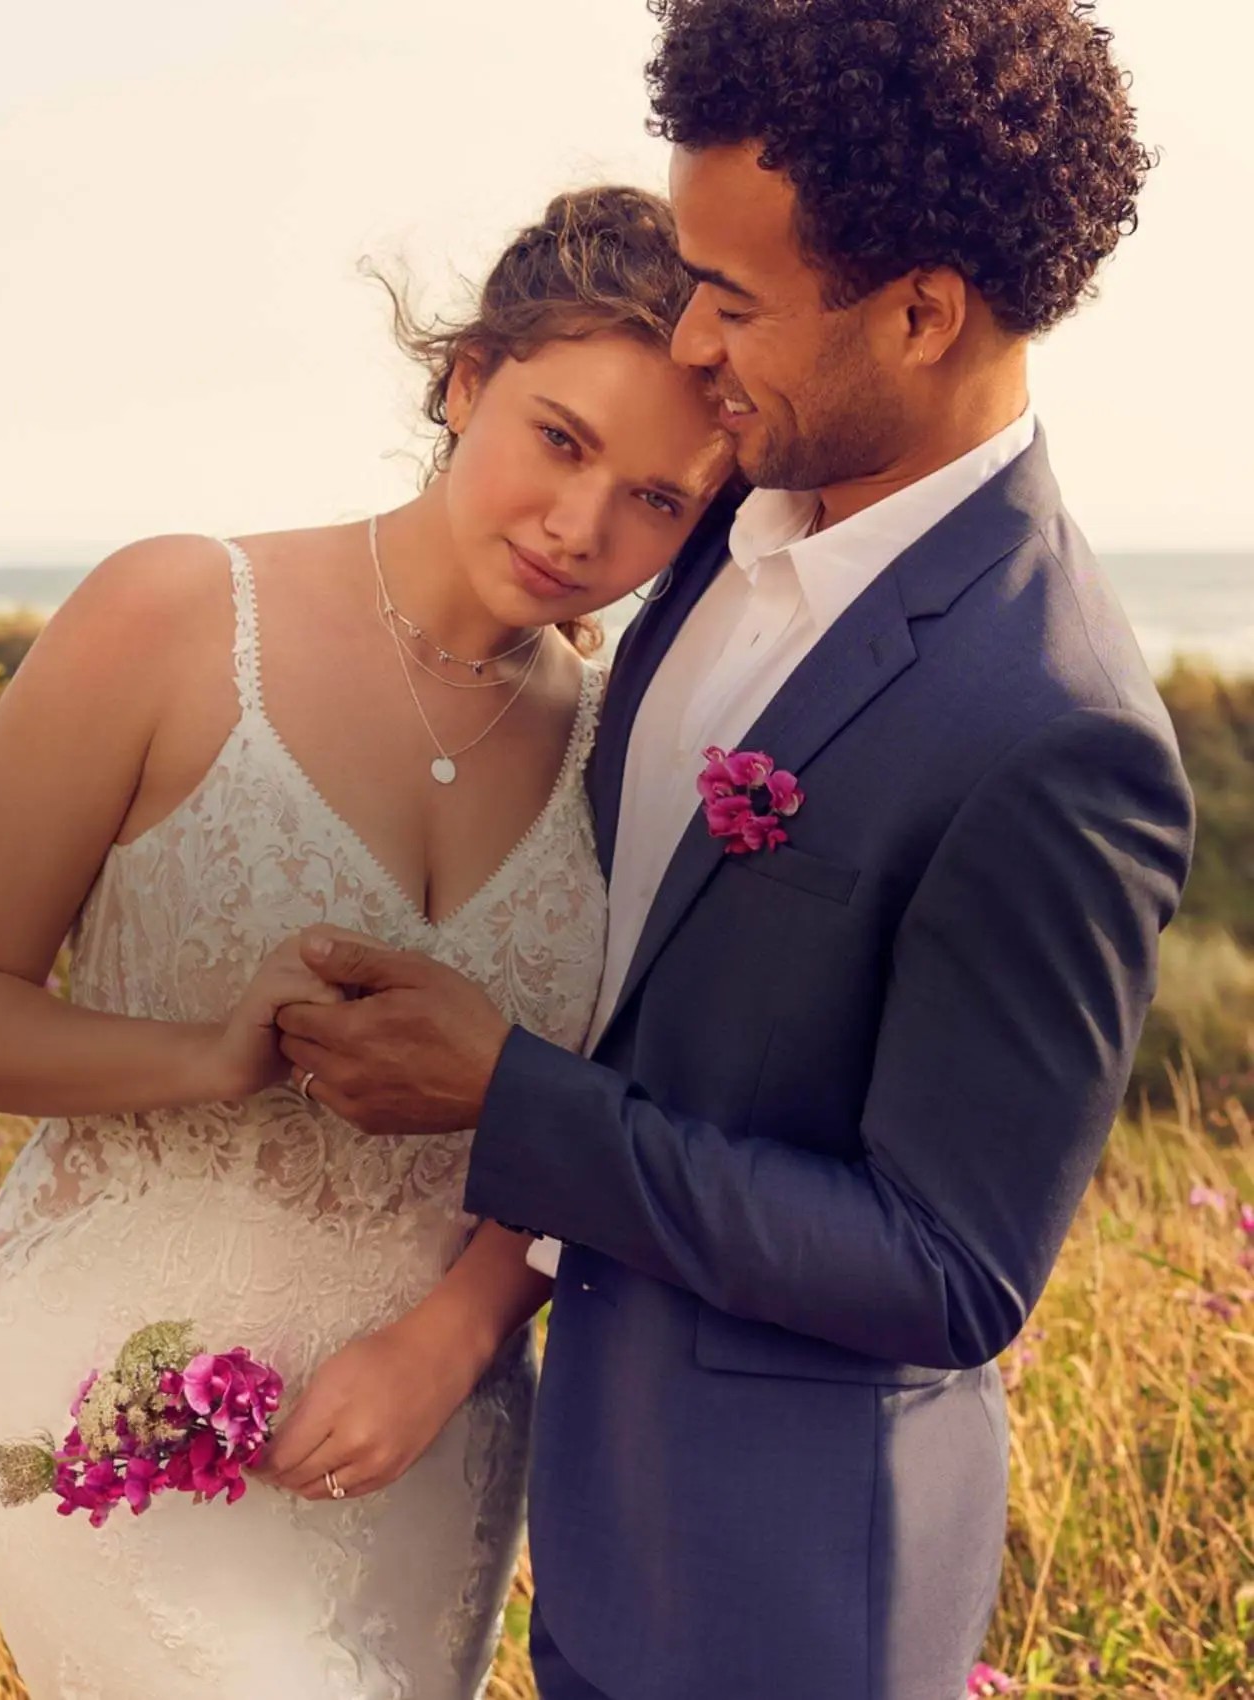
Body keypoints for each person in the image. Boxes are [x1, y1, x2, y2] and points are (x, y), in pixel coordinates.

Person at [271, 3, 1198, 1697]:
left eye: (738, 299)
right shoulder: (727, 517)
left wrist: (509, 1099)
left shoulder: (1054, 733)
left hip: (787, 1592)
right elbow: (664, 999)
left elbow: (950, 1268)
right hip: (590, 1521)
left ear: (921, 312)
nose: (692, 339)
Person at [0, 185, 732, 1698]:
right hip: (117, 1389)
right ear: (470, 379)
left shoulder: (628, 751)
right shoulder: (172, 614)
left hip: (423, 1425)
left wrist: (457, 1341)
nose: (582, 527)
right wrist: (208, 1057)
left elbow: (603, 1117)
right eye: (560, 437)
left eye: (660, 502)